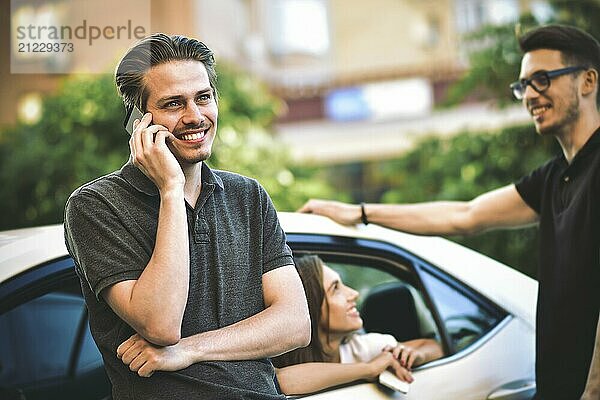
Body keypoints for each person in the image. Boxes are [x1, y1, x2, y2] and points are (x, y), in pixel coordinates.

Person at [299, 24, 600, 400]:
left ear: (588, 81)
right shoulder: (555, 177)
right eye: (524, 85)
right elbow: (465, 215)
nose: (531, 96)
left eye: (543, 79)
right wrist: (359, 212)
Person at [64, 33, 310, 400]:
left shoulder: (248, 196)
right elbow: (161, 325)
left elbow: (295, 325)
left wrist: (189, 350)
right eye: (174, 104)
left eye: (203, 98)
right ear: (137, 121)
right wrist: (170, 190)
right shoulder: (95, 206)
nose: (195, 116)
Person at [272, 255, 443, 395]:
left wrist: (417, 355)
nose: (354, 294)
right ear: (310, 306)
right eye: (335, 289)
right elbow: (281, 380)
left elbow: (435, 347)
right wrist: (368, 369)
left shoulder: (364, 348)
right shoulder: (279, 362)